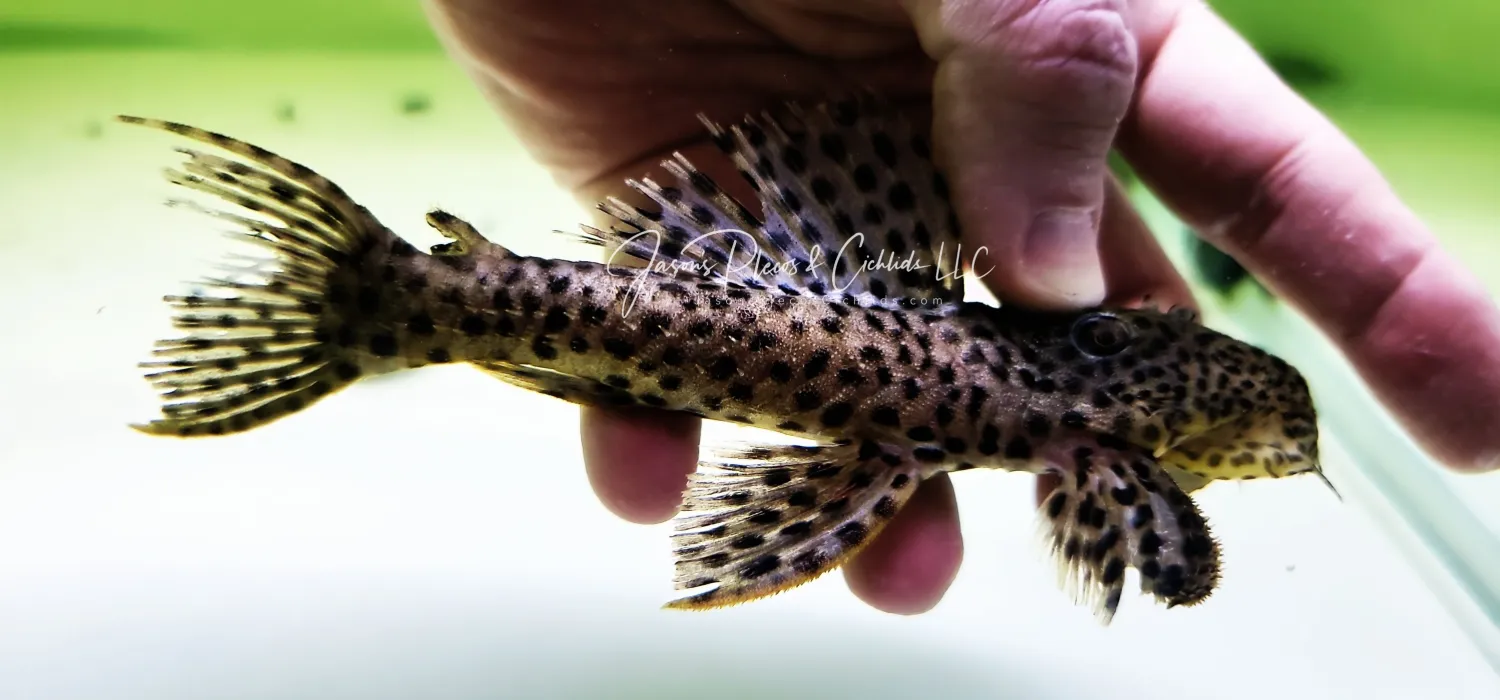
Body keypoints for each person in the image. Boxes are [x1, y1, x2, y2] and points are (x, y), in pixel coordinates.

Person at [422, 0, 1500, 615]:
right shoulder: (1091, 437)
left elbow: (1157, 550)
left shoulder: (1090, 422)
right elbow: (1169, 563)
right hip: (860, 318)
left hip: (851, 303)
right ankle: (426, 302)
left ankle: (439, 302)